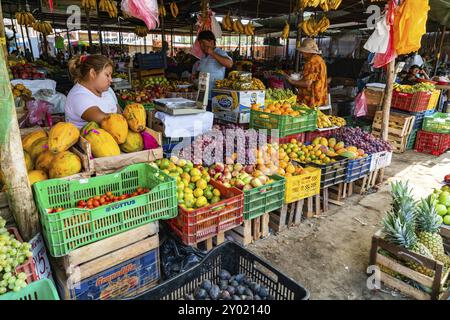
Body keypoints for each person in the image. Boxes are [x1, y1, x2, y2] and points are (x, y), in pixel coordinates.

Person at [65, 54, 120, 129]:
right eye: (107, 75)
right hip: (90, 139)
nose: (111, 80)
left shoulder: (108, 90)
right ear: (93, 73)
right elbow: (108, 121)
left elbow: (119, 112)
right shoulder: (78, 97)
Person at [288, 38, 328, 108]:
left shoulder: (311, 62)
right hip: (320, 95)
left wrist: (292, 81)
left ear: (307, 52)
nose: (302, 53)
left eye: (303, 51)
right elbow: (315, 76)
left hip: (311, 98)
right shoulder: (320, 60)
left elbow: (307, 83)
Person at [193, 31, 233, 101]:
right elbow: (201, 70)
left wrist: (212, 53)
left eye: (203, 43)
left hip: (215, 96)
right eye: (200, 43)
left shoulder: (219, 52)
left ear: (211, 42)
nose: (201, 46)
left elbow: (229, 64)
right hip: (203, 95)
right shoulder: (203, 56)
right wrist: (195, 75)